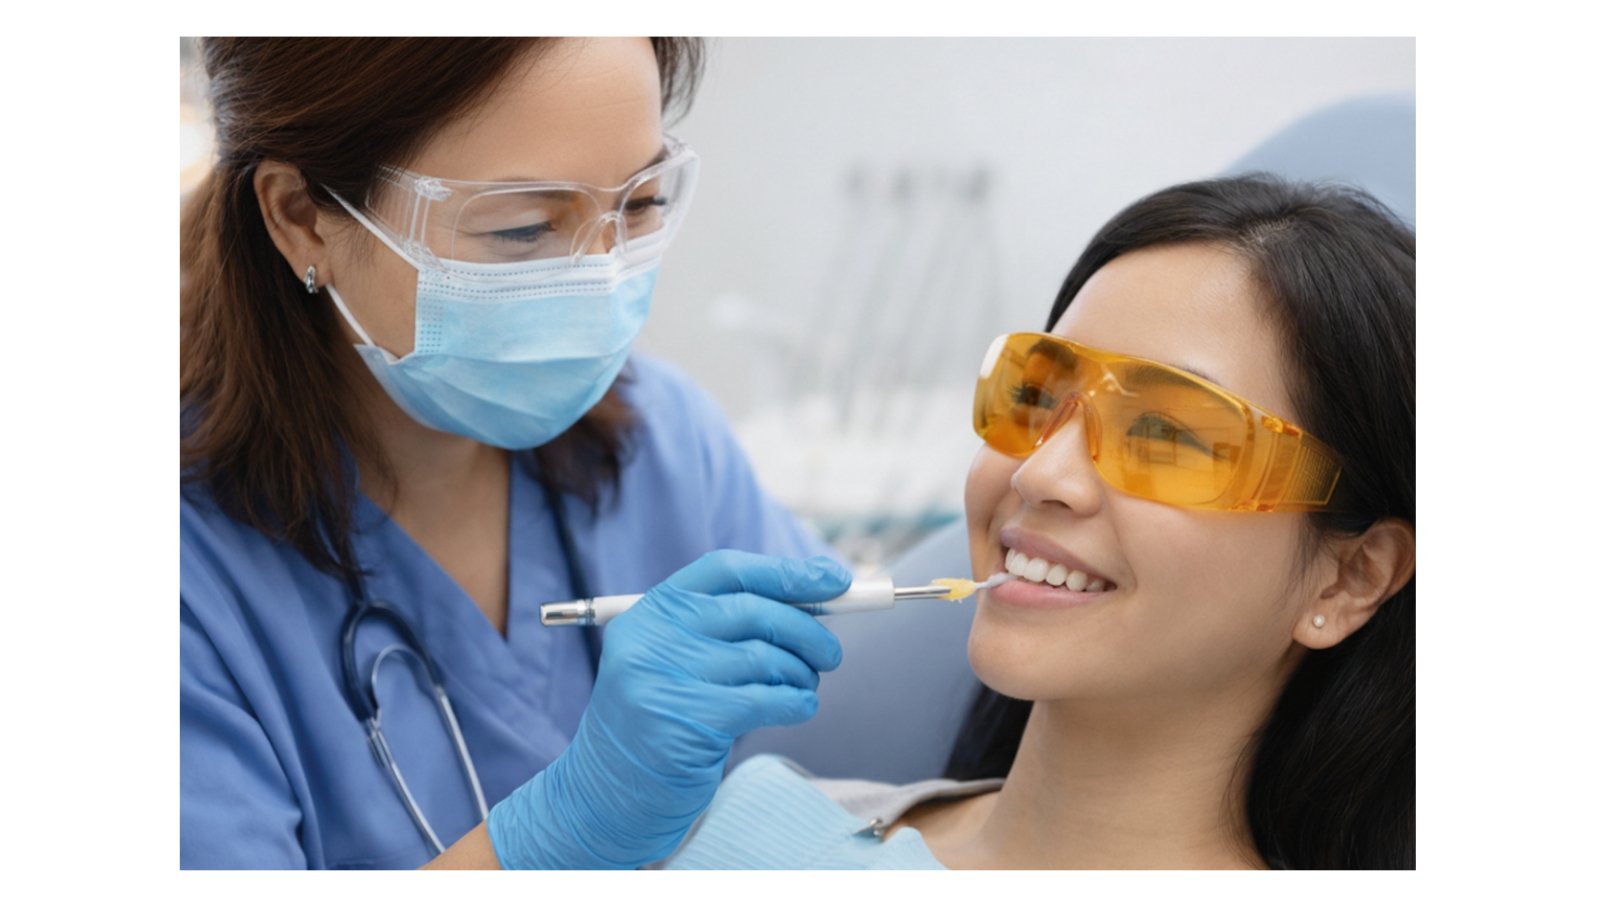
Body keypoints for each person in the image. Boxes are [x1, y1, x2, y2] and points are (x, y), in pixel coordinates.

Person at [180, 37, 853, 869]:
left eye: (638, 205)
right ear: (301, 217)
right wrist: (561, 834)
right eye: (524, 226)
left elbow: (878, 718)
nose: (601, 280)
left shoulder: (666, 440)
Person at [659, 174, 1417, 869]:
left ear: (1353, 577)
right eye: (1038, 394)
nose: (1038, 473)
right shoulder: (749, 820)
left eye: (1164, 435)